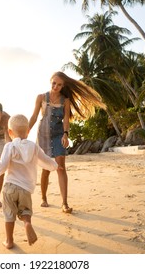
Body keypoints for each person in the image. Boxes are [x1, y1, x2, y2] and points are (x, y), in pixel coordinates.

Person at [29, 71, 106, 213]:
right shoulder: (41, 97)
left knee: (61, 167)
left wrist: (65, 134)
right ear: (50, 81)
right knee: (46, 169)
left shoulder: (65, 101)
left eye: (59, 84)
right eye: (54, 83)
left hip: (58, 135)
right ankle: (44, 198)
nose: (56, 86)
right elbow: (34, 116)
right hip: (43, 135)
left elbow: (66, 119)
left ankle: (64, 203)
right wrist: (25, 131)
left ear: (63, 86)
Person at [0, 114, 59, 249]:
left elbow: (3, 165)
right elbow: (46, 161)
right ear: (28, 131)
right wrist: (56, 166)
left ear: (10, 132)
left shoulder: (9, 146)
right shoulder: (34, 147)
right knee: (25, 212)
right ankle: (27, 224)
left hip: (10, 187)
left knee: (9, 214)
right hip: (25, 189)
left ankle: (9, 240)